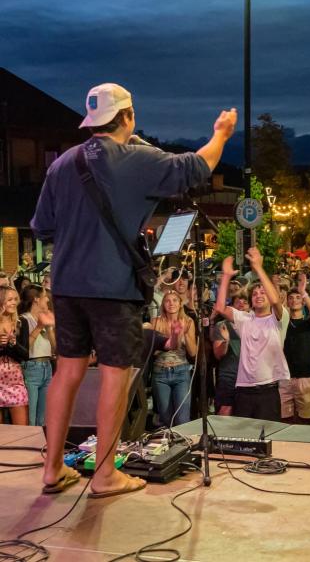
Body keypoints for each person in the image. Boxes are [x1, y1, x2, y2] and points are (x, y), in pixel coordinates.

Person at [31, 82, 236, 496]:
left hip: (67, 285)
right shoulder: (134, 158)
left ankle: (53, 470)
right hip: (112, 285)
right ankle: (105, 475)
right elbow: (197, 167)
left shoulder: (61, 164)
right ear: (128, 117)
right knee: (115, 374)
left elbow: (42, 227)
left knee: (68, 371)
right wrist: (222, 133)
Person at [214, 248, 289, 421]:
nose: (258, 295)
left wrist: (258, 268)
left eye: (263, 292)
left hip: (267, 390)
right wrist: (226, 276)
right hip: (243, 390)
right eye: (254, 294)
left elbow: (276, 300)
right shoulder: (245, 319)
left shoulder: (278, 318)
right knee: (244, 439)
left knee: (268, 438)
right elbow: (219, 308)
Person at [150, 291, 197, 427]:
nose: (171, 304)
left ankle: (183, 446)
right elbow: (152, 351)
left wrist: (184, 333)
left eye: (175, 300)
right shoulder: (156, 321)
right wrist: (171, 340)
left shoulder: (188, 321)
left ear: (180, 303)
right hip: (160, 373)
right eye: (168, 301)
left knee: (182, 419)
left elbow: (193, 352)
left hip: (181, 371)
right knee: (166, 419)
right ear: (163, 304)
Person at [280, 273, 310, 424]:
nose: (294, 300)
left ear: (303, 302)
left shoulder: (308, 323)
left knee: (304, 423)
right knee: (284, 421)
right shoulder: (282, 323)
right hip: (285, 378)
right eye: (291, 298)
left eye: (298, 298)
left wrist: (303, 292)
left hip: (306, 378)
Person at [18, 285, 56, 426]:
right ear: (36, 299)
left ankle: (39, 444)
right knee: (31, 417)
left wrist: (50, 328)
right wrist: (39, 326)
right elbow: (23, 348)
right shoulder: (24, 319)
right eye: (45, 296)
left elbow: (55, 348)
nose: (47, 300)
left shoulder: (45, 318)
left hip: (47, 367)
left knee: (43, 417)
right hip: (32, 368)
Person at [212, 294, 248, 416]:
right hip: (228, 377)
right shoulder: (222, 325)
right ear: (231, 307)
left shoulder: (255, 324)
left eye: (245, 302)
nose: (242, 304)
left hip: (249, 378)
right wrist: (226, 341)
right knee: (225, 412)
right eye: (238, 302)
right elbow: (218, 354)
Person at [0, 286, 29, 425]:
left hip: (14, 381)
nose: (14, 303)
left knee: (22, 430)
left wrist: (12, 343)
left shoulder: (21, 323)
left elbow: (25, 355)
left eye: (15, 299)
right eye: (9, 299)